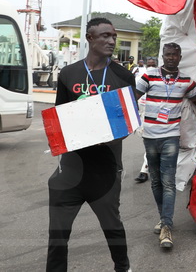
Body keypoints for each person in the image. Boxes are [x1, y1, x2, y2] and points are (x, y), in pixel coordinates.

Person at [46, 17, 132, 272]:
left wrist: (103, 131)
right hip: (70, 169)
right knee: (58, 235)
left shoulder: (123, 75)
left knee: (112, 228)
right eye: (105, 35)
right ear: (90, 38)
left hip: (105, 170)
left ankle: (123, 267)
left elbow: (126, 126)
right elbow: (59, 118)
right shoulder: (68, 73)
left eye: (114, 36)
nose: (111, 40)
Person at [134, 43, 196, 249]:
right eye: (167, 55)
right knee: (156, 182)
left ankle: (166, 226)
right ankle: (164, 218)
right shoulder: (149, 77)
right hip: (149, 136)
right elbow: (131, 98)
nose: (171, 58)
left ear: (180, 57)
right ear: (162, 56)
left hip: (171, 137)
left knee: (168, 182)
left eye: (174, 55)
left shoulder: (186, 81)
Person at [134, 57, 158, 184]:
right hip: (143, 115)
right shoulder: (139, 78)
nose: (151, 68)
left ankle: (144, 170)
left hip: (157, 117)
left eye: (153, 65)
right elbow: (134, 97)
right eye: (149, 65)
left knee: (150, 143)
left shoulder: (161, 79)